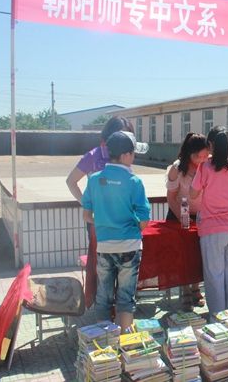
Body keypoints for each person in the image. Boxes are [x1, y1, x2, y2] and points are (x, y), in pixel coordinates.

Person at [82, 131, 151, 332]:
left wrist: (104, 223)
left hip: (104, 246)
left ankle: (104, 342)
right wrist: (132, 226)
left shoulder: (94, 179)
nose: (134, 157)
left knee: (103, 297)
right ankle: (124, 341)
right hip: (130, 245)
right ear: (125, 155)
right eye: (133, 153)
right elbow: (144, 221)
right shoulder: (134, 181)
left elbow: (87, 216)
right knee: (126, 298)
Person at [66, 116, 135, 308]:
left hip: (122, 222)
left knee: (123, 265)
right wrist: (88, 206)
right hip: (99, 223)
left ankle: (119, 307)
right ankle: (102, 307)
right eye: (122, 135)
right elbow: (71, 181)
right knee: (102, 266)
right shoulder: (93, 156)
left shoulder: (125, 156)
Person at [190, 126, 228, 315]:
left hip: (212, 230)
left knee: (214, 277)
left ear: (210, 145)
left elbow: (193, 194)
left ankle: (217, 320)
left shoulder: (205, 167)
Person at [166, 133, 210, 310]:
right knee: (183, 255)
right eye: (198, 156)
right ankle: (184, 289)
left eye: (205, 155)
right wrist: (182, 218)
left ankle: (196, 288)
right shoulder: (177, 168)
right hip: (180, 213)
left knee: (199, 254)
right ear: (189, 153)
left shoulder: (208, 164)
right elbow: (171, 198)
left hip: (201, 215)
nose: (202, 160)